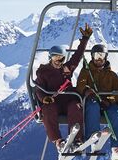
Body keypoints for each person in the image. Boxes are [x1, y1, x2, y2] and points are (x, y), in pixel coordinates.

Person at [35, 23, 93, 152]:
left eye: (61, 58)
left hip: (67, 99)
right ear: (50, 57)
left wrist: (85, 39)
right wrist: (44, 99)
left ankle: (77, 140)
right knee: (48, 111)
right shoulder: (43, 71)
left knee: (76, 107)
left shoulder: (67, 68)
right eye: (55, 57)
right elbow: (38, 88)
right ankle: (58, 141)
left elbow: (78, 55)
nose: (58, 60)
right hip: (53, 101)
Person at [76, 44, 118, 160]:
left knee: (117, 114)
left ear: (106, 57)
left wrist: (109, 101)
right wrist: (87, 90)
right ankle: (94, 139)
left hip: (107, 103)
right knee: (92, 108)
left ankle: (117, 148)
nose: (99, 58)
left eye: (101, 55)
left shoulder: (112, 75)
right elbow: (80, 85)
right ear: (92, 56)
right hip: (93, 100)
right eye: (96, 55)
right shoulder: (86, 72)